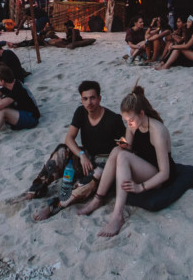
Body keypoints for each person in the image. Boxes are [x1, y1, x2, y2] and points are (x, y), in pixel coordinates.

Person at [78, 85, 176, 237]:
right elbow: (127, 147)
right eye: (126, 121)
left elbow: (165, 173)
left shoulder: (157, 131)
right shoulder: (133, 124)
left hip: (158, 176)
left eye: (130, 120)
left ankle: (118, 216)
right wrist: (116, 139)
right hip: (143, 165)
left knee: (122, 156)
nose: (128, 124)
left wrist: (140, 187)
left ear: (141, 113)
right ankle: (98, 198)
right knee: (117, 151)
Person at [25, 80, 126, 221]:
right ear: (81, 100)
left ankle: (55, 204)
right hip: (86, 156)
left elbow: (125, 146)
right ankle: (37, 188)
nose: (89, 102)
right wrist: (81, 154)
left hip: (105, 163)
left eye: (92, 98)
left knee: (93, 177)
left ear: (99, 98)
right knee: (62, 150)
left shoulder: (113, 119)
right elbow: (69, 138)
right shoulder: (81, 112)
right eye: (85, 99)